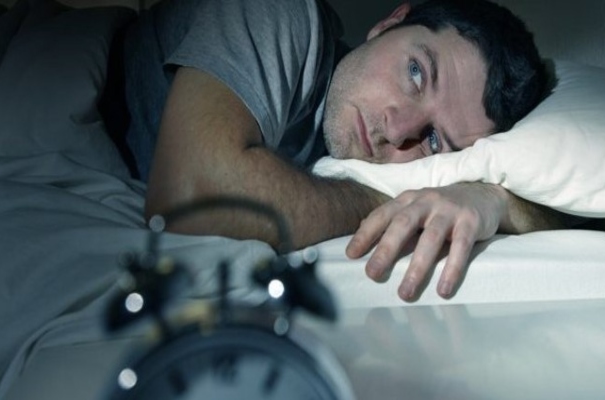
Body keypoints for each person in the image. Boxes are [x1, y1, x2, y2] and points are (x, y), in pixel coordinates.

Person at [123, 0, 562, 302]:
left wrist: (490, 198)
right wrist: (384, 198)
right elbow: (189, 196)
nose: (398, 128)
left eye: (433, 140)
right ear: (391, 23)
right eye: (415, 72)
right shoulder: (280, 11)